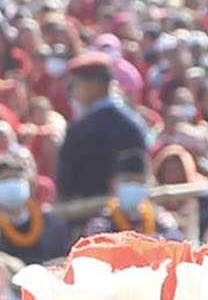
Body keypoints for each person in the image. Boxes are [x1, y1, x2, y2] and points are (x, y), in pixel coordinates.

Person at [52, 53, 149, 205]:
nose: (74, 93)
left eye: (77, 84)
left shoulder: (79, 131)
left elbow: (65, 187)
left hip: (88, 218)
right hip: (132, 213)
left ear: (94, 85)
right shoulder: (134, 123)